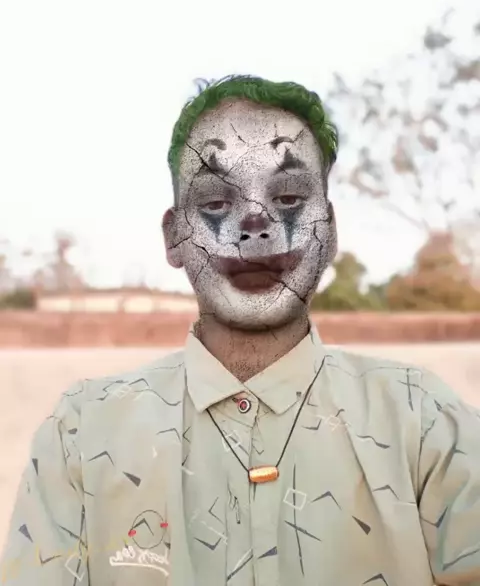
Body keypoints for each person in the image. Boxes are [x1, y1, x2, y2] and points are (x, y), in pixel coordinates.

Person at [1, 75, 480, 586]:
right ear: (174, 237)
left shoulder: (425, 423)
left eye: (289, 196)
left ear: (331, 229)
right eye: (215, 203)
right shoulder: (81, 434)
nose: (255, 222)